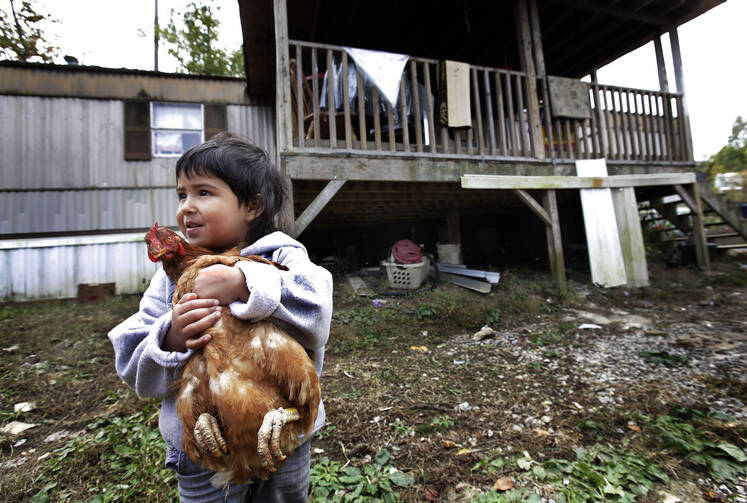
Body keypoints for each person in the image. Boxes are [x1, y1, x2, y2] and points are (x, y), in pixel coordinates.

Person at [108, 132, 333, 503]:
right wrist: (172, 337)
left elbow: (318, 309)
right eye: (182, 194)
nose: (186, 206)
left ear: (252, 206)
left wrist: (244, 284)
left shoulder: (284, 256)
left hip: (285, 437)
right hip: (202, 444)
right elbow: (132, 361)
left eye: (203, 193)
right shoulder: (170, 280)